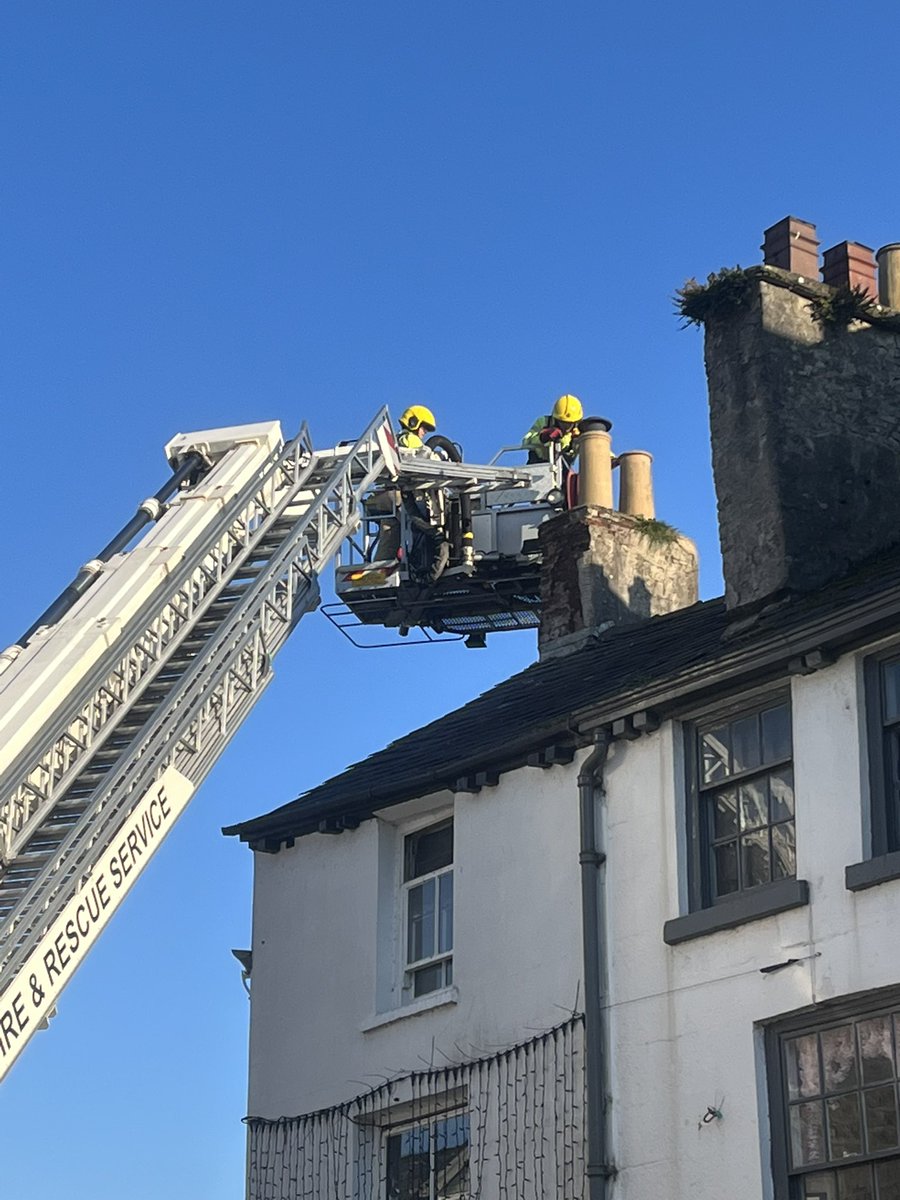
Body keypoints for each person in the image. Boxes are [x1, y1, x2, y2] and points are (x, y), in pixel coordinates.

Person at [522, 394, 583, 464]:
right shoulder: (543, 422)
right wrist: (542, 437)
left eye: (569, 423)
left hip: (562, 470)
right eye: (562, 422)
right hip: (537, 465)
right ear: (556, 419)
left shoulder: (578, 433)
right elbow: (526, 441)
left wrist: (579, 441)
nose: (566, 426)